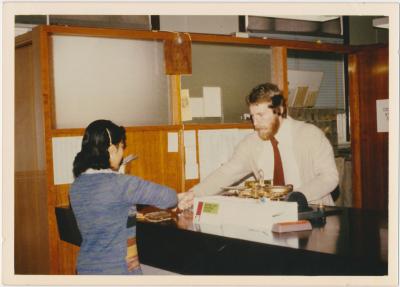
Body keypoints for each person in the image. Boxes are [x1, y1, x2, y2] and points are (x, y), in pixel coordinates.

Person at [178, 83, 339, 209]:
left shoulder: (310, 134)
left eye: (261, 115)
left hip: (315, 212)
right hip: (274, 216)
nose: (255, 123)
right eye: (252, 116)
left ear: (280, 110)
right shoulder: (251, 143)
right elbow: (226, 173)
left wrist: (300, 196)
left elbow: (329, 177)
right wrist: (194, 193)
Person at [69, 119, 178, 275]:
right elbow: (170, 198)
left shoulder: (76, 186)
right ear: (112, 149)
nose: (122, 154)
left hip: (86, 270)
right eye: (121, 147)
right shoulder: (122, 184)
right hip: (119, 273)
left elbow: (107, 205)